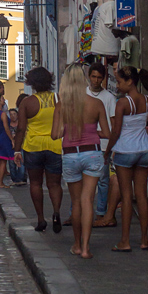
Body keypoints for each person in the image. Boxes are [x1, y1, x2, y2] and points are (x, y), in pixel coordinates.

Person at [51, 64, 110, 260]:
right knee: (88, 201)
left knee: (76, 202)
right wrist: (92, 132)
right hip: (92, 153)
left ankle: (76, 244)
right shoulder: (96, 104)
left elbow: (55, 134)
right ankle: (86, 248)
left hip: (70, 154)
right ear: (84, 79)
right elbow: (107, 133)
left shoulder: (62, 105)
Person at [104, 65, 148, 252]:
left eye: (119, 82)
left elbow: (116, 131)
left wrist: (107, 151)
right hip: (144, 150)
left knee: (126, 196)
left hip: (125, 151)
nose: (118, 86)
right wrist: (142, 130)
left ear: (129, 82)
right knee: (142, 195)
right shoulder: (147, 100)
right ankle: (144, 240)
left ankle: (125, 241)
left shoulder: (122, 103)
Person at [13, 66, 63, 233]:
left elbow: (21, 129)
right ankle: (56, 213)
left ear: (32, 83)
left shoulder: (27, 103)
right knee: (55, 184)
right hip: (55, 145)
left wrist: (17, 150)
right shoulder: (58, 99)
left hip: (33, 146)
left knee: (35, 183)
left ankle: (41, 218)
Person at [87, 62, 116, 220]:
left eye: (99, 78)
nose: (96, 80)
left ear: (103, 79)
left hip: (103, 144)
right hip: (86, 143)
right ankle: (79, 212)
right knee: (84, 180)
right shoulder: (83, 94)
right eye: (93, 77)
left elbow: (113, 122)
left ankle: (101, 212)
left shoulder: (109, 98)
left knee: (103, 180)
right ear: (89, 76)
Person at [0, 92, 14, 188]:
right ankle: (0, 182)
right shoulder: (3, 114)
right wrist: (12, 139)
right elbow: (6, 128)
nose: (4, 100)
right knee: (3, 162)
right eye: (2, 98)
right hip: (4, 137)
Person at [8, 106, 27, 185]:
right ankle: (14, 179)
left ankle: (20, 178)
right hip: (10, 145)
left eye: (14, 114)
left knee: (21, 162)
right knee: (11, 163)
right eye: (11, 114)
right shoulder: (8, 125)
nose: (13, 116)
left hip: (20, 145)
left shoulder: (21, 124)